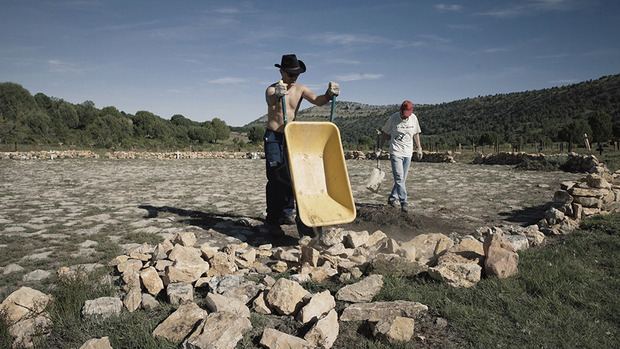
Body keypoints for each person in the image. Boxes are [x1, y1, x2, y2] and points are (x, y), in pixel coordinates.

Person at [263, 54, 340, 231]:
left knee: (293, 175)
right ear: (281, 72)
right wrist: (277, 95)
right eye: (290, 74)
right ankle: (272, 219)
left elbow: (317, 100)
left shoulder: (300, 89)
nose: (293, 77)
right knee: (275, 176)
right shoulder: (271, 89)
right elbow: (270, 100)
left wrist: (329, 94)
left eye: (296, 74)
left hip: (292, 138)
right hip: (274, 137)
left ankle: (287, 212)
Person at [377, 100, 422, 212]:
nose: (405, 117)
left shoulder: (413, 118)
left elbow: (416, 133)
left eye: (407, 115)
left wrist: (419, 148)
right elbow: (385, 133)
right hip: (396, 152)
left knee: (402, 179)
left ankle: (392, 198)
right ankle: (404, 202)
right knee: (399, 178)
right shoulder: (393, 118)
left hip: (408, 152)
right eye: (403, 114)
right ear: (401, 111)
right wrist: (380, 148)